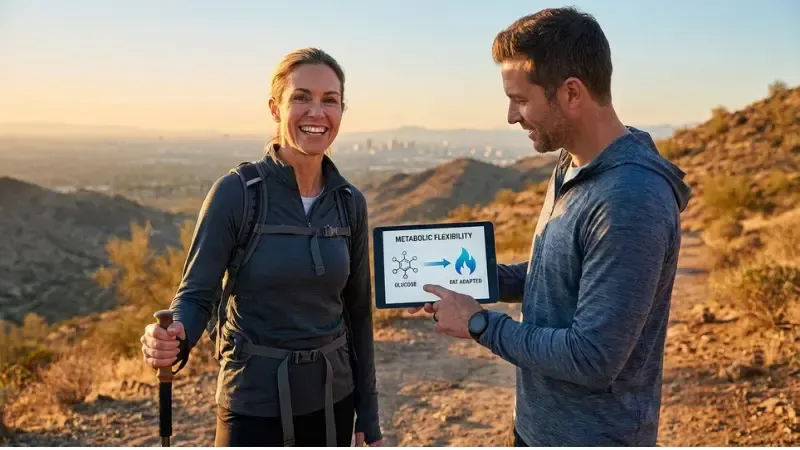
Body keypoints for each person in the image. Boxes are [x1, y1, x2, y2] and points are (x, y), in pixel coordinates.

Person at [410, 7, 692, 447]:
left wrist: (479, 323)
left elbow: (592, 357)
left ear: (572, 93)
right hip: (538, 427)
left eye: (521, 100)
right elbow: (559, 276)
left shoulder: (630, 198)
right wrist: (473, 281)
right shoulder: (571, 164)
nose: (511, 116)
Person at [139, 47, 383, 447]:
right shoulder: (237, 193)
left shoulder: (349, 201)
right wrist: (175, 337)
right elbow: (196, 295)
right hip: (251, 401)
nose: (317, 112)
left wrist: (368, 411)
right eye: (301, 97)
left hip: (332, 399)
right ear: (275, 108)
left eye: (330, 100)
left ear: (341, 110)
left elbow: (357, 311)